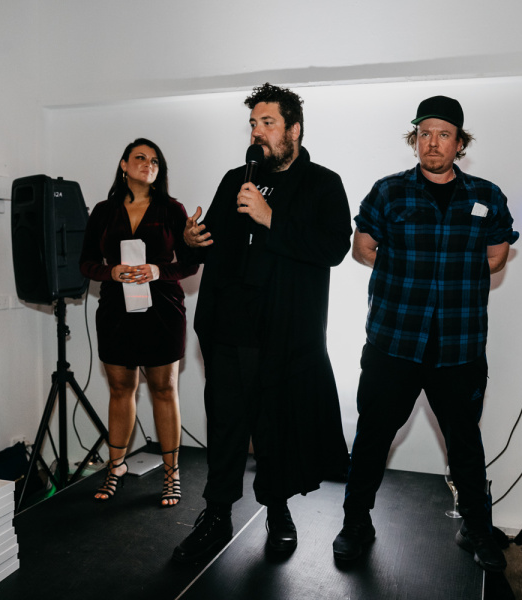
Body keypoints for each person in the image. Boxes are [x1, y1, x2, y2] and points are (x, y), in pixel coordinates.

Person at [332, 96, 519, 572]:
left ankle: (475, 528)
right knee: (373, 436)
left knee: (465, 444)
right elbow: (362, 247)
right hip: (393, 342)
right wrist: (405, 272)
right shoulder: (389, 191)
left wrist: (456, 277)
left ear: (459, 143)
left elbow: (497, 254)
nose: (432, 142)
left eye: (443, 134)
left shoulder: (487, 195)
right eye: (424, 133)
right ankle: (356, 523)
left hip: (459, 345)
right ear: (415, 139)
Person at [172, 83, 352, 563]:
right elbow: (211, 241)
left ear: (294, 130)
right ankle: (216, 516)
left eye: (267, 123)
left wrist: (272, 219)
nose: (257, 132)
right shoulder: (237, 179)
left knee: (275, 431)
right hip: (228, 329)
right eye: (253, 124)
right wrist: (192, 239)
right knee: (226, 427)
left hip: (283, 335)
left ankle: (277, 510)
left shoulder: (323, 183)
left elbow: (334, 247)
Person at [79, 138, 197, 507]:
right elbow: (85, 262)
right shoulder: (103, 211)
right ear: (124, 165)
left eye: (155, 161)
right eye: (140, 158)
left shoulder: (172, 209)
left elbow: (190, 263)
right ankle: (115, 467)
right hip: (116, 311)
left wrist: (157, 270)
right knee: (120, 389)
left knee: (164, 389)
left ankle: (171, 473)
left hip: (163, 309)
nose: (148, 164)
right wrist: (110, 271)